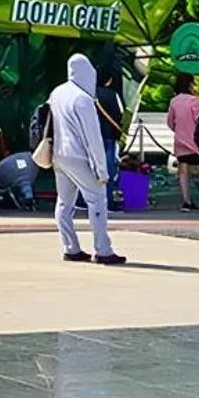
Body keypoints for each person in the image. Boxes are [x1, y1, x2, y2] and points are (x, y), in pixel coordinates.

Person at [51, 52, 126, 263]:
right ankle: (103, 250)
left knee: (64, 203)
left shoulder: (57, 92)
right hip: (79, 156)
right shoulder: (83, 99)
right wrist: (102, 170)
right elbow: (93, 138)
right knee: (97, 200)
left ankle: (70, 247)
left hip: (59, 154)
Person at [166, 72, 199, 211]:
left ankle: (186, 201)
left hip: (180, 142)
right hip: (196, 143)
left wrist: (179, 130)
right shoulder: (194, 101)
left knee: (183, 171)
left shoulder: (174, 101)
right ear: (190, 84)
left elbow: (170, 122)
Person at [95, 67, 127, 210]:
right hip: (109, 136)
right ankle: (108, 201)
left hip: (93, 137)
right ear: (109, 81)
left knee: (91, 169)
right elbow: (121, 114)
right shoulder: (113, 95)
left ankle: (85, 202)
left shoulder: (89, 95)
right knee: (108, 170)